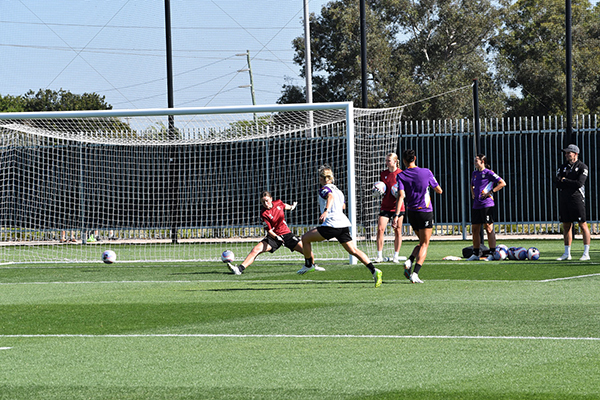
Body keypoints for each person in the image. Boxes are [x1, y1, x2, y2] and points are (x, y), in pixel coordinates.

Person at [298, 165, 382, 288]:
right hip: (343, 224)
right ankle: (374, 270)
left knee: (305, 238)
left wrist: (326, 210)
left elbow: (330, 197)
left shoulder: (324, 189)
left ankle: (308, 264)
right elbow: (343, 207)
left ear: (321, 179)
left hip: (332, 225)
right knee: (353, 250)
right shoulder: (339, 191)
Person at [227, 191, 325, 275]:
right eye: (263, 202)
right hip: (274, 237)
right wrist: (276, 237)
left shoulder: (278, 203)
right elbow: (269, 230)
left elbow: (284, 206)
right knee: (256, 249)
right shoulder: (264, 213)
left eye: (267, 200)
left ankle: (312, 265)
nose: (265, 203)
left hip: (287, 234)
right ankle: (239, 269)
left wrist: (291, 207)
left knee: (306, 250)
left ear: (271, 199)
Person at [392, 149, 443, 283]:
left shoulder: (401, 175)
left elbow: (401, 196)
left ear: (403, 161)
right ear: (415, 158)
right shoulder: (426, 172)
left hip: (412, 213)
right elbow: (439, 190)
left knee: (421, 242)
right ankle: (415, 273)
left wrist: (396, 216)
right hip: (425, 211)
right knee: (425, 244)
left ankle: (410, 260)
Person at [554, 144, 591, 261]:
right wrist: (565, 181)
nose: (566, 155)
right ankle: (567, 253)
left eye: (568, 153)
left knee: (582, 224)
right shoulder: (563, 167)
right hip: (565, 198)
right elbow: (557, 183)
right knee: (566, 225)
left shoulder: (582, 167)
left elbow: (579, 183)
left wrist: (565, 180)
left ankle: (586, 253)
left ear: (575, 154)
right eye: (565, 153)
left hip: (577, 198)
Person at [467, 154, 506, 261]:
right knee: (475, 229)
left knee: (488, 228)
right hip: (476, 205)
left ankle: (493, 253)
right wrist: (473, 194)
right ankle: (476, 253)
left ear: (482, 162)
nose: (475, 163)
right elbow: (472, 185)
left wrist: (491, 191)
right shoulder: (474, 173)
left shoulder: (489, 173)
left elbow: (502, 183)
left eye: (476, 161)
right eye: (474, 160)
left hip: (487, 204)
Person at [373, 152, 406, 263]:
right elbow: (383, 188)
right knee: (380, 229)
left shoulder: (401, 173)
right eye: (386, 160)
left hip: (398, 207)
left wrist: (399, 193)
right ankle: (379, 255)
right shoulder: (383, 174)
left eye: (389, 161)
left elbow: (404, 191)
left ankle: (396, 256)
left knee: (397, 231)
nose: (386, 163)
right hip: (385, 206)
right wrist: (378, 190)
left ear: (395, 161)